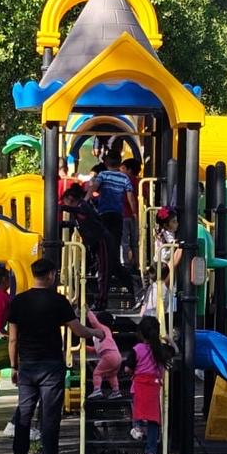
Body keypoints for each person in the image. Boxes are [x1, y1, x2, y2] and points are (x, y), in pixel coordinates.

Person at [7, 257, 100, 454]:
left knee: (24, 415)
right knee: (50, 417)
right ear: (50, 275)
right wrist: (96, 333)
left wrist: (14, 366)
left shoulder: (18, 301)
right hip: (50, 365)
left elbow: (13, 339)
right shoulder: (58, 301)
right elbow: (78, 330)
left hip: (27, 366)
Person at [89, 153, 138, 304]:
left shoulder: (103, 175)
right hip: (118, 216)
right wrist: (134, 213)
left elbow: (94, 189)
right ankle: (132, 288)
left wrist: (86, 200)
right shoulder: (124, 178)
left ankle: (104, 275)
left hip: (104, 214)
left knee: (104, 248)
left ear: (106, 163)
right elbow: (130, 197)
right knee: (114, 246)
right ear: (119, 164)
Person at [129, 315, 174, 454]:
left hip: (139, 385)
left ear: (141, 333)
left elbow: (128, 368)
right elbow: (175, 351)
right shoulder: (161, 350)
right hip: (153, 386)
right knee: (153, 420)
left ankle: (137, 427)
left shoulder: (137, 349)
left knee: (136, 407)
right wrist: (170, 340)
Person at [88, 311, 123, 398]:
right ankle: (116, 391)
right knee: (112, 374)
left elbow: (94, 322)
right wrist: (85, 347)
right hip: (117, 356)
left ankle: (97, 390)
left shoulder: (103, 328)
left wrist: (88, 312)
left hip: (108, 355)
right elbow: (96, 349)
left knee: (97, 373)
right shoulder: (106, 333)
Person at [120, 157, 142, 268]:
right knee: (135, 241)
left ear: (128, 169)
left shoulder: (122, 180)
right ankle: (136, 262)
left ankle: (125, 262)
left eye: (123, 168)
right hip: (136, 215)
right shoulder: (139, 182)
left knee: (124, 241)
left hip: (123, 214)